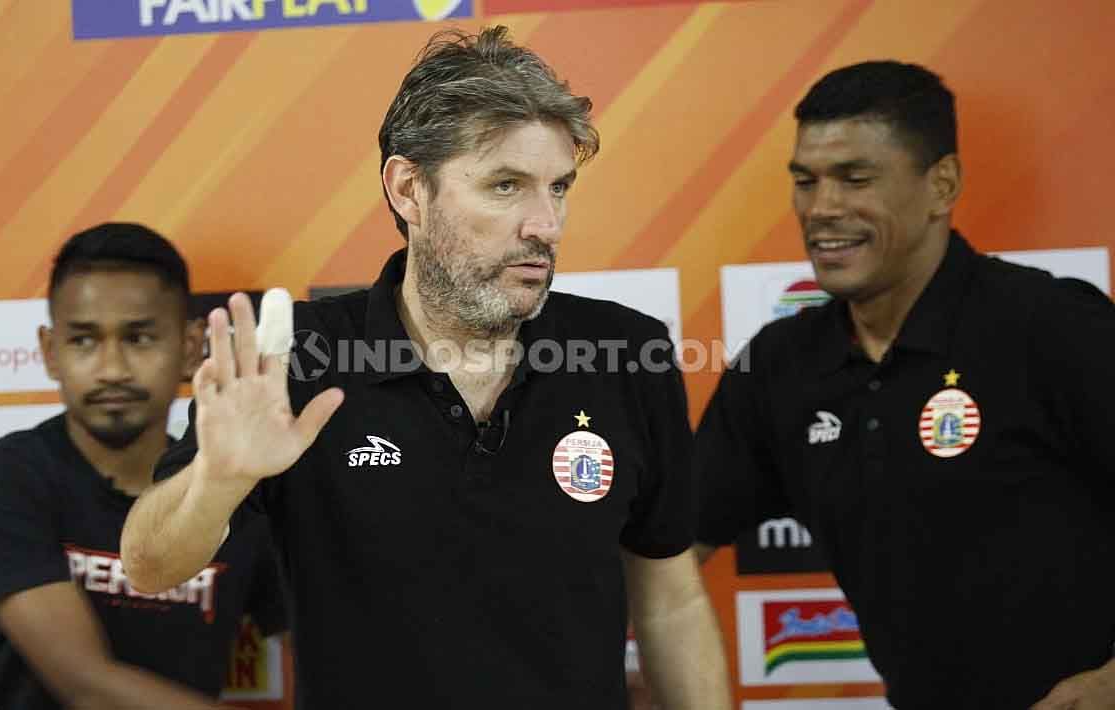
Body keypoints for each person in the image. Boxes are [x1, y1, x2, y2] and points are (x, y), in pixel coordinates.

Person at [120, 26, 731, 710]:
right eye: (506, 186)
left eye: (558, 188)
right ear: (409, 189)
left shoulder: (629, 353)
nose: (545, 224)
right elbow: (149, 567)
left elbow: (670, 601)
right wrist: (218, 478)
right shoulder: (297, 356)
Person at [694, 60, 1115, 709]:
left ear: (941, 184)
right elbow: (674, 539)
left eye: (855, 179)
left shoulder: (1053, 326)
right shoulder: (783, 363)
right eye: (805, 182)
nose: (822, 209)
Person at [0, 224, 287, 709]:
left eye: (139, 338)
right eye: (83, 341)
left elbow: (326, 638)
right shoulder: (4, 478)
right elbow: (89, 688)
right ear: (51, 352)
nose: (112, 368)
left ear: (189, 346)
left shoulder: (235, 494)